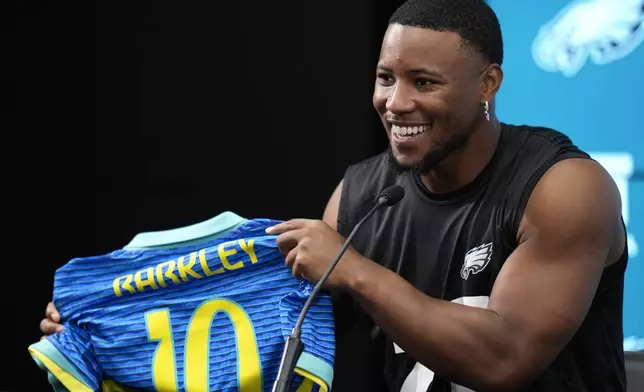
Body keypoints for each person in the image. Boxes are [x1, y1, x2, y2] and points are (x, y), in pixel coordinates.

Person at [41, 0, 628, 391]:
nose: (396, 102)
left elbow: (505, 358)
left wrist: (352, 269)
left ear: (488, 84)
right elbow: (260, 333)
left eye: (424, 82)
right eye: (385, 77)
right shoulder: (362, 192)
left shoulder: (563, 187)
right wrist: (106, 325)